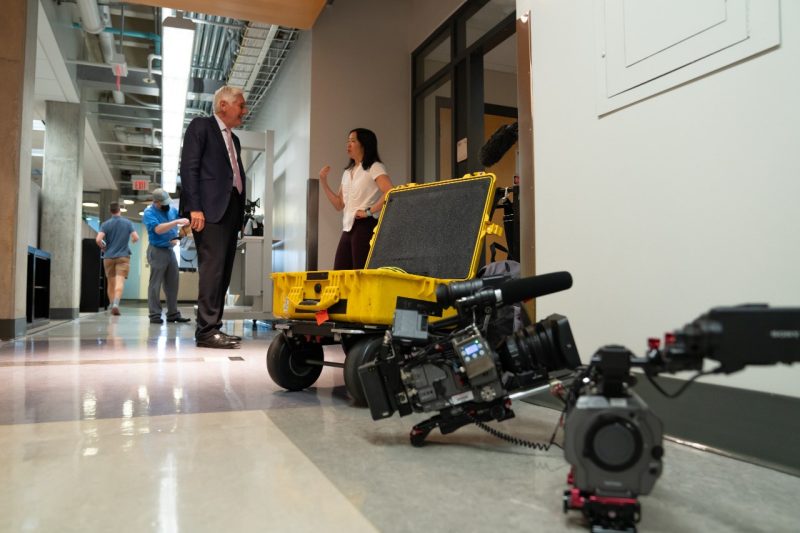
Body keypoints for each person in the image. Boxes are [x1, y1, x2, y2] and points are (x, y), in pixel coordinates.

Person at [179, 86, 247, 349]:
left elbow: (236, 176)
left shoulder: (235, 139)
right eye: (240, 105)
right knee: (212, 270)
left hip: (230, 210)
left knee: (224, 271)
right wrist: (195, 208)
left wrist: (240, 215)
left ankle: (214, 327)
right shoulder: (201, 127)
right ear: (223, 106)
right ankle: (206, 330)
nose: (244, 110)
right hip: (208, 211)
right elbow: (190, 166)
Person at [319, 128, 393, 270]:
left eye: (353, 141)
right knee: (340, 272)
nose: (348, 145)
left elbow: (390, 191)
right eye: (348, 141)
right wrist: (323, 181)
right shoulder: (347, 172)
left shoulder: (374, 166)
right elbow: (339, 204)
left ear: (364, 144)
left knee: (360, 274)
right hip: (348, 227)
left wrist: (369, 212)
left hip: (365, 225)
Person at [142, 188, 191, 325]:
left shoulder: (171, 210)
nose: (166, 204)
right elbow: (158, 229)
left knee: (172, 284)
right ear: (156, 202)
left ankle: (173, 314)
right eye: (163, 203)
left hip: (170, 250)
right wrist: (176, 223)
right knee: (155, 284)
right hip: (156, 250)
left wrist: (180, 234)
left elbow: (179, 227)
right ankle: (155, 315)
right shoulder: (149, 212)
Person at [95, 202, 139, 316]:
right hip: (123, 256)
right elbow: (136, 237)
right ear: (120, 210)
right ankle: (116, 304)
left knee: (111, 282)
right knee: (120, 281)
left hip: (108, 257)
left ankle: (111, 304)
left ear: (110, 211)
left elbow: (98, 239)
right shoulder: (127, 223)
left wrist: (104, 247)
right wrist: (133, 241)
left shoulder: (105, 224)